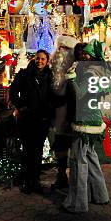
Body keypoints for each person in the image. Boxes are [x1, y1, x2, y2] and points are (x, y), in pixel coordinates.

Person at [62, 39, 110, 213]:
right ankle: (100, 194)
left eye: (86, 53)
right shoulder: (98, 71)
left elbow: (79, 95)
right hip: (93, 119)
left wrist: (71, 78)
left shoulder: (89, 73)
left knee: (78, 161)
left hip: (84, 122)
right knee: (91, 158)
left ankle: (78, 203)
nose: (83, 55)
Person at [9, 49, 54, 194]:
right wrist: (22, 104)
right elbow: (13, 92)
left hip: (42, 119)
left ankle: (35, 180)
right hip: (27, 118)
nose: (40, 61)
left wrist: (49, 110)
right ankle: (28, 181)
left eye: (43, 59)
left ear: (47, 61)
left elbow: (52, 95)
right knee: (28, 150)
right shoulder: (25, 74)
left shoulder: (49, 76)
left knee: (38, 150)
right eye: (38, 58)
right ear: (34, 59)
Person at [49, 36, 82, 190]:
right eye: (60, 49)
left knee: (75, 150)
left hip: (72, 118)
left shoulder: (76, 73)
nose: (61, 53)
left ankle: (77, 182)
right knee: (60, 148)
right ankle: (61, 176)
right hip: (58, 118)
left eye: (65, 50)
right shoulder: (54, 71)